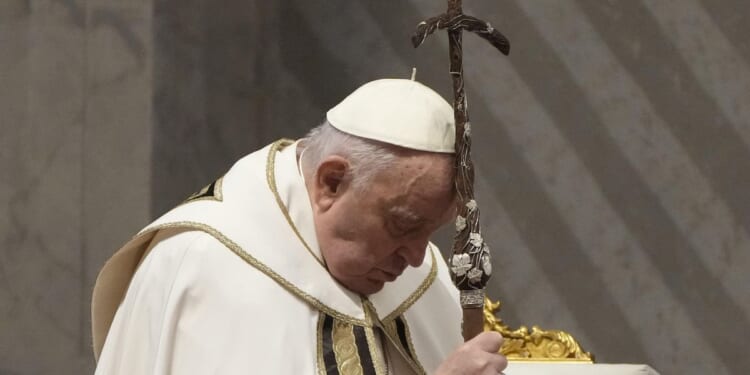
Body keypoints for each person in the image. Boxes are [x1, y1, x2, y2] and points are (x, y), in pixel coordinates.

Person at [92, 79, 507, 374]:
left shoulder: (422, 280)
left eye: (430, 232)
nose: (418, 258)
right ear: (331, 182)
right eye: (402, 225)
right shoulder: (202, 268)